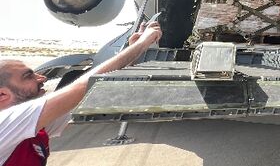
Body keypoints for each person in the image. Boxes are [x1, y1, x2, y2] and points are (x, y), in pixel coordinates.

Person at [0, 21, 162, 164]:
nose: (41, 77)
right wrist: (142, 43)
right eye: (28, 76)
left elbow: (95, 92)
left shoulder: (31, 127)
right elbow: (80, 88)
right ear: (2, 95)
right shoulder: (4, 124)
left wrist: (134, 49)